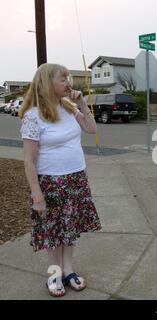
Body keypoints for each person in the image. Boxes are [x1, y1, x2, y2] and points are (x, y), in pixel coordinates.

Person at [19, 63, 102, 297]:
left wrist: (82, 105)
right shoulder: (33, 116)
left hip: (76, 177)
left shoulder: (68, 107)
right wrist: (36, 194)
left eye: (68, 79)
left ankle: (68, 270)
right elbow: (28, 160)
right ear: (48, 83)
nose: (69, 83)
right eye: (63, 79)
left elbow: (91, 129)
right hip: (51, 183)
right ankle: (54, 273)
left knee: (70, 229)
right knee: (53, 232)